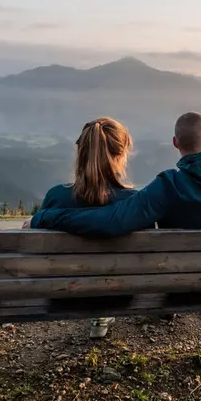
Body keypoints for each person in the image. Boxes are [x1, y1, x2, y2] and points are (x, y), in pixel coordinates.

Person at [30, 111, 201, 236]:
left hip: (180, 285)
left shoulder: (169, 185)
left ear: (175, 143)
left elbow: (112, 221)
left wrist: (45, 216)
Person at [35, 116, 135, 337]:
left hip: (61, 295)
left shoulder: (56, 197)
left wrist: (41, 217)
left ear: (80, 154)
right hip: (121, 294)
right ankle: (103, 313)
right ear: (121, 155)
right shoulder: (134, 202)